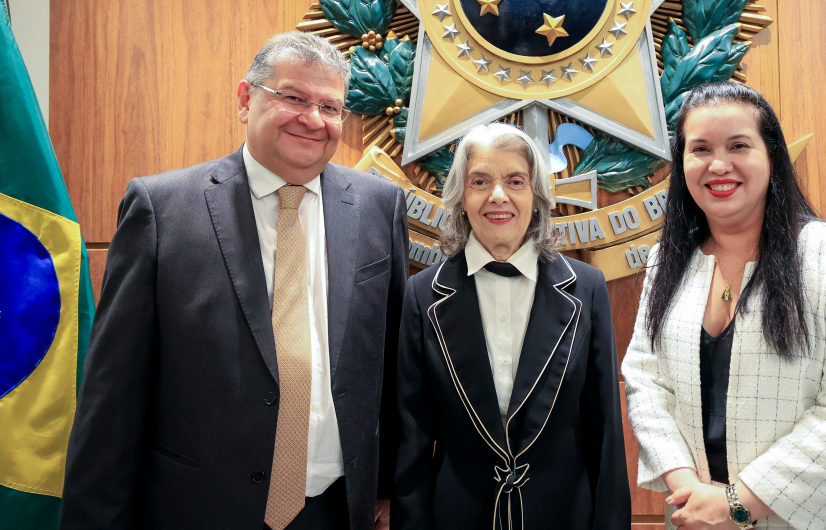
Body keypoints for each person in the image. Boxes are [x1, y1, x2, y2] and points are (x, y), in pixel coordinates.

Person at [60, 32, 409, 530]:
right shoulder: (162, 210)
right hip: (201, 510)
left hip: (337, 510)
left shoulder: (379, 206)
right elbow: (111, 399)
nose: (312, 119)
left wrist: (388, 488)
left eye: (330, 107)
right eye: (293, 97)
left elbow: (391, 366)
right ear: (246, 100)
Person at [623, 81, 826, 530]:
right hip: (697, 518)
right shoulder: (668, 261)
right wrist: (688, 490)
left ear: (772, 157)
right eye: (700, 149)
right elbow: (645, 380)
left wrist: (736, 504)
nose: (718, 164)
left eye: (738, 145)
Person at [393, 123, 631, 530]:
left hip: (564, 517)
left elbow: (605, 427)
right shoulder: (422, 295)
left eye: (515, 181)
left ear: (536, 196)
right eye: (480, 181)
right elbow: (411, 437)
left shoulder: (586, 288)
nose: (497, 195)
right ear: (460, 197)